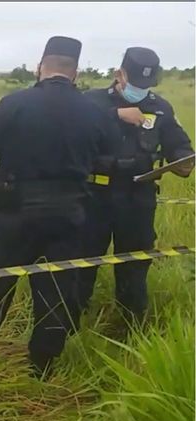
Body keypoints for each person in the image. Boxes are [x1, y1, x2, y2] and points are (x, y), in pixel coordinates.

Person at [0, 36, 116, 378]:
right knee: (58, 291)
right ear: (75, 72)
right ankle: (42, 367)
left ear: (40, 66)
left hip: (14, 211)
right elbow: (109, 160)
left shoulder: (15, 102)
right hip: (70, 215)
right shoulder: (94, 111)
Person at [78, 47, 194, 325]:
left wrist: (183, 161)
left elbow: (179, 145)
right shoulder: (90, 103)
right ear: (120, 74)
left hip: (138, 199)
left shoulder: (160, 107)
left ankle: (131, 325)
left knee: (135, 264)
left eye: (146, 86)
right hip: (95, 196)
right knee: (82, 262)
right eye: (136, 84)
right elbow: (70, 132)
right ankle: (72, 322)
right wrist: (116, 115)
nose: (140, 91)